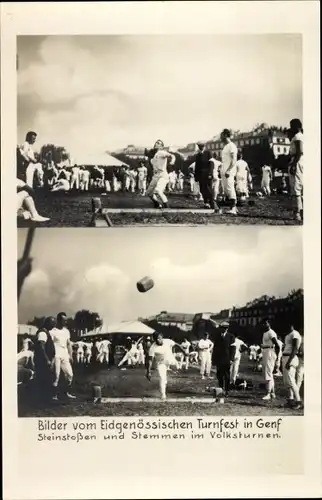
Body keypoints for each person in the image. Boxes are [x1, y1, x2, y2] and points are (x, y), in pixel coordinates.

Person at [146, 333, 185, 400]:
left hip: (170, 360)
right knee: (162, 377)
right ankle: (163, 394)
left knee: (177, 368)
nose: (158, 340)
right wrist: (148, 372)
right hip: (161, 363)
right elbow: (150, 360)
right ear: (154, 340)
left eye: (159, 338)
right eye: (156, 339)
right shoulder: (152, 347)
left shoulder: (167, 341)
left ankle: (175, 369)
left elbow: (176, 344)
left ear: (162, 337)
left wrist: (184, 351)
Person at [50, 312, 76, 400]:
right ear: (59, 320)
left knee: (70, 374)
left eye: (66, 320)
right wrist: (51, 357)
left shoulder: (66, 331)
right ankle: (54, 395)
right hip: (56, 355)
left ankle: (66, 392)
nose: (65, 322)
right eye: (63, 320)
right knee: (56, 375)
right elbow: (50, 345)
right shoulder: (52, 332)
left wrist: (71, 355)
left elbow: (68, 344)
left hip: (65, 354)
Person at [146, 140, 176, 208]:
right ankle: (157, 204)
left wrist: (172, 160)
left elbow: (172, 155)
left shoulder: (161, 152)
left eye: (159, 143)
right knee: (148, 193)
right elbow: (152, 165)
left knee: (159, 191)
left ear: (162, 146)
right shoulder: (154, 156)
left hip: (163, 175)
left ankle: (166, 206)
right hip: (155, 175)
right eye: (156, 142)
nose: (156, 143)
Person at [33, 317, 56, 404]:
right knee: (43, 379)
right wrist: (47, 359)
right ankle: (42, 400)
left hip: (45, 360)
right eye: (52, 323)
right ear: (47, 323)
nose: (54, 325)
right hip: (42, 361)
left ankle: (45, 399)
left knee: (46, 379)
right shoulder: (43, 333)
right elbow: (41, 347)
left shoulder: (46, 332)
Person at [282, 325, 303, 409]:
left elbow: (295, 349)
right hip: (285, 357)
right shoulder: (287, 335)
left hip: (291, 358)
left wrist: (289, 361)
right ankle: (290, 400)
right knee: (287, 382)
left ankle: (299, 402)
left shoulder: (295, 334)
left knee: (291, 381)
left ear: (292, 325)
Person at [195, 142, 219, 211]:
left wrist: (210, 173)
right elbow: (197, 166)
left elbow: (211, 164)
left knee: (208, 189)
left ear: (204, 146)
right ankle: (206, 203)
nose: (201, 147)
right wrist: (196, 176)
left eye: (202, 146)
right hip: (200, 175)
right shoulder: (198, 155)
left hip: (207, 174)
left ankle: (212, 203)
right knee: (202, 189)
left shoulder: (208, 153)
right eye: (199, 146)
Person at [212, 322, 236, 394]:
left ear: (227, 328)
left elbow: (233, 349)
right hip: (219, 359)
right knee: (219, 374)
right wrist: (213, 359)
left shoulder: (231, 337)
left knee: (226, 375)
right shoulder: (217, 336)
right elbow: (215, 349)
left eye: (225, 328)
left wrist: (231, 359)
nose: (224, 329)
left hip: (227, 358)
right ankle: (221, 388)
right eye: (222, 328)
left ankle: (227, 389)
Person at [260, 319, 281, 400]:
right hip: (265, 351)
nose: (264, 325)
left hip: (270, 352)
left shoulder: (271, 332)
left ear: (269, 324)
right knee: (269, 373)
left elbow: (277, 345)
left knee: (268, 373)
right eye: (263, 323)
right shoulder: (265, 333)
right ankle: (272, 393)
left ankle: (268, 393)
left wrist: (277, 358)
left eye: (266, 323)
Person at [288, 118, 304, 222]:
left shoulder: (298, 136)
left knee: (296, 187)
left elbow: (299, 151)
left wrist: (293, 164)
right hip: (299, 160)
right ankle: (300, 212)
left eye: (292, 126)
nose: (290, 128)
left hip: (297, 160)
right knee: (299, 187)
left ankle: (297, 213)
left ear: (296, 127)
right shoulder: (300, 136)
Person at [220, 129, 238, 214]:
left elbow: (234, 160)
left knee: (230, 188)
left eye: (221, 135)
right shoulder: (225, 146)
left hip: (229, 171)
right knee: (227, 189)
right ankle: (233, 207)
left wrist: (229, 170)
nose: (220, 137)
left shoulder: (232, 146)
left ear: (226, 135)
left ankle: (233, 209)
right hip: (224, 171)